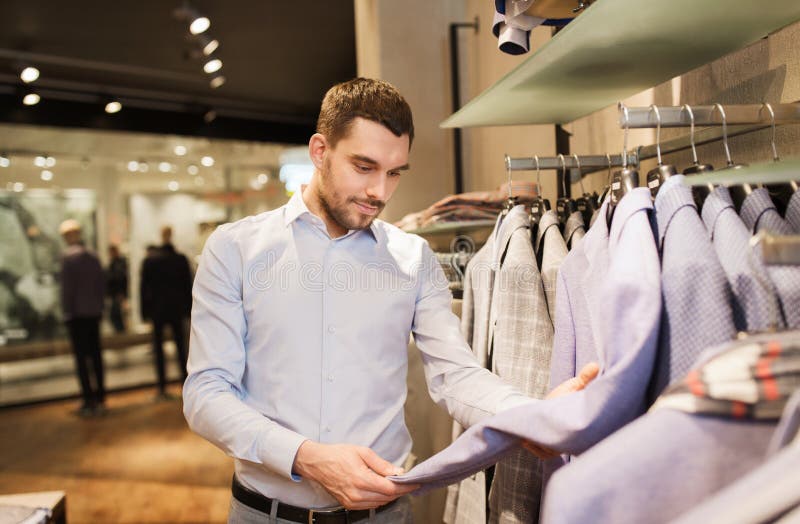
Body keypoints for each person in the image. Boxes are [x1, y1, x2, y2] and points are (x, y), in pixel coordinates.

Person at [183, 78, 598, 524]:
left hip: (385, 515)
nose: (380, 192)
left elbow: (454, 376)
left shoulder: (412, 257)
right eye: (364, 167)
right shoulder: (235, 249)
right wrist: (304, 456)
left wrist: (530, 414)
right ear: (320, 151)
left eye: (395, 172)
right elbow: (206, 394)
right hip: (265, 514)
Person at [59, 219, 106, 416]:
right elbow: (102, 286)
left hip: (77, 315)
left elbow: (67, 291)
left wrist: (67, 312)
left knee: (82, 359)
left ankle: (88, 400)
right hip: (93, 314)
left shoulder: (68, 259)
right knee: (95, 356)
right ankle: (101, 396)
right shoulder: (93, 257)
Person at [140, 227, 192, 398]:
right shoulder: (179, 259)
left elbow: (144, 289)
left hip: (158, 310)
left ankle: (162, 387)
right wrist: (188, 309)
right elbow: (188, 287)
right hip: (176, 309)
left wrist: (145, 312)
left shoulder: (151, 260)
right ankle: (184, 383)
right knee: (180, 347)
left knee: (162, 348)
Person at [106, 244, 129, 333]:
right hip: (115, 293)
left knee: (116, 314)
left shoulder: (119, 263)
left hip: (118, 293)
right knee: (115, 314)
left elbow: (120, 278)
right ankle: (120, 331)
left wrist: (121, 293)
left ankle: (121, 332)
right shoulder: (114, 263)